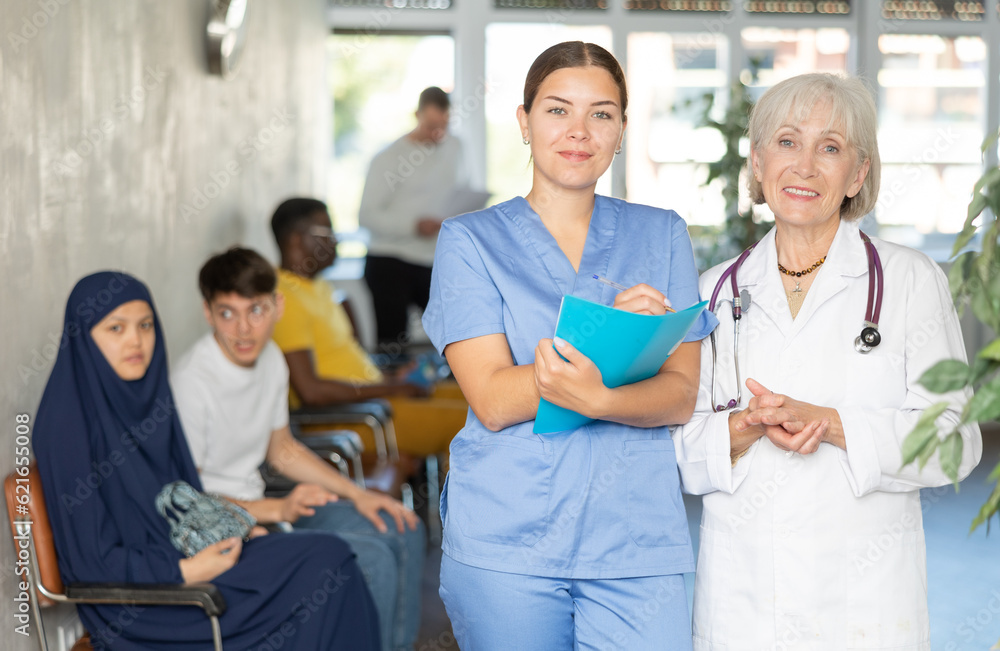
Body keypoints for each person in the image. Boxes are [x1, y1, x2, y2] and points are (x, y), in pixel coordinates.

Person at [421, 41, 717, 650]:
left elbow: (681, 395)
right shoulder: (469, 241)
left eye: (601, 114)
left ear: (623, 129)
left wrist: (594, 394)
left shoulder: (662, 234)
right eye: (557, 110)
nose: (579, 131)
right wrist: (614, 336)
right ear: (525, 121)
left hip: (635, 539)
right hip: (509, 535)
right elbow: (496, 400)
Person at [673, 73, 983, 650]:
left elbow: (958, 441)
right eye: (788, 143)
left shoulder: (911, 281)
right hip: (744, 604)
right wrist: (740, 430)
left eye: (831, 147)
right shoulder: (713, 292)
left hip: (865, 605)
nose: (806, 166)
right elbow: (677, 446)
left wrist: (833, 423)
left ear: (858, 174)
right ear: (760, 164)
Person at [32, 271, 380, 650]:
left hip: (189, 558)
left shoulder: (148, 400)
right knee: (325, 567)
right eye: (115, 329)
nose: (136, 340)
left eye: (145, 325)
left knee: (330, 554)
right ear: (84, 337)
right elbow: (89, 562)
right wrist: (185, 571)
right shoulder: (66, 425)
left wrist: (234, 527)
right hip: (147, 603)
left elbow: (185, 498)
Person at [170, 247, 424, 651]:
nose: (243, 329)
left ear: (278, 305)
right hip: (223, 529)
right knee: (372, 557)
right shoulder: (191, 382)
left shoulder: (271, 358)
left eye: (256, 310)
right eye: (227, 313)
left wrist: (358, 494)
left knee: (401, 525)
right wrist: (275, 511)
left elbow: (282, 449)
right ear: (208, 313)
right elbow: (188, 498)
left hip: (266, 507)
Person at [269, 197, 468, 461]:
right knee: (471, 421)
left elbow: (347, 365)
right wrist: (394, 388)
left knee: (474, 395)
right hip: (351, 420)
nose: (335, 241)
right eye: (327, 232)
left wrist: (393, 377)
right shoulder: (285, 298)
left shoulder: (316, 287)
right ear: (296, 239)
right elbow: (312, 392)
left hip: (374, 401)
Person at [359, 86, 472, 355]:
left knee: (454, 334)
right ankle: (393, 393)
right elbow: (366, 215)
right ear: (417, 115)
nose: (437, 133)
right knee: (392, 344)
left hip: (433, 261)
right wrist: (413, 225)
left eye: (443, 126)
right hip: (389, 261)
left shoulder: (455, 148)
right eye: (431, 125)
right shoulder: (387, 158)